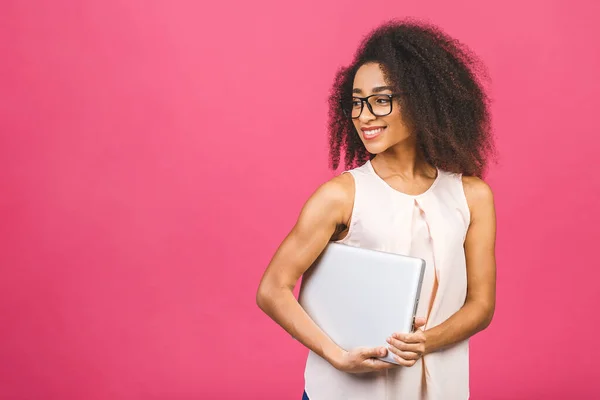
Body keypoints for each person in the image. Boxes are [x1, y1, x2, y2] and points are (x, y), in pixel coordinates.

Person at [256, 18, 497, 400]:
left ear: (422, 100)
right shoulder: (340, 196)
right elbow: (272, 289)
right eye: (356, 102)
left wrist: (425, 342)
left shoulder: (472, 196)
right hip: (343, 392)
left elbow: (481, 305)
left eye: (380, 100)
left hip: (440, 389)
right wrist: (336, 356)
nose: (364, 116)